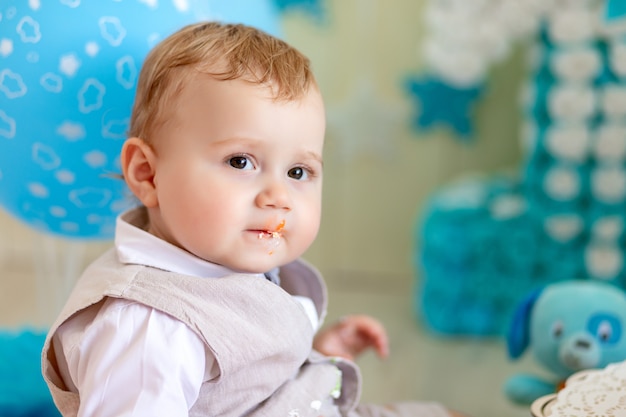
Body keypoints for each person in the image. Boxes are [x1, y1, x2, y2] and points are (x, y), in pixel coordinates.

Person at [42, 21, 463, 417]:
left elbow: (241, 382)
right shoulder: (151, 330)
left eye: (298, 172)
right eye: (241, 161)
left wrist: (318, 353)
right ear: (147, 174)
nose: (279, 196)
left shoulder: (216, 257)